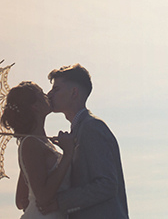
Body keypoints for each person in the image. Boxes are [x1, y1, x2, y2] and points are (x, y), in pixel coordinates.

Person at [39, 64, 130, 219]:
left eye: (57, 89)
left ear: (74, 92)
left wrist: (60, 202)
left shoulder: (91, 128)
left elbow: (106, 185)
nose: (49, 94)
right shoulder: (80, 130)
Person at [1, 81, 74, 218]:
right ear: (35, 106)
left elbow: (21, 199)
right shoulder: (30, 144)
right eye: (42, 94)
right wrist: (68, 154)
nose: (48, 95)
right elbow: (43, 197)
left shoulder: (41, 142)